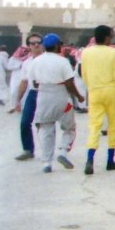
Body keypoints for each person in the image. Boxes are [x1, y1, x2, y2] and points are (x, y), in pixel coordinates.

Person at [27, 34, 83, 173]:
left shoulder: (36, 61)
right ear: (58, 45)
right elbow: (69, 83)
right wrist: (78, 96)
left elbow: (33, 82)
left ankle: (46, 162)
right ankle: (63, 152)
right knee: (69, 127)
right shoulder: (62, 61)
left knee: (46, 129)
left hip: (43, 95)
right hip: (61, 96)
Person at [79, 25, 115, 175]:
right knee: (113, 125)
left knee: (94, 125)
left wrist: (91, 87)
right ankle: (110, 160)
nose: (111, 39)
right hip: (111, 90)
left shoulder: (86, 53)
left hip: (94, 91)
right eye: (111, 36)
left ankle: (90, 159)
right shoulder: (114, 52)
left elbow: (84, 74)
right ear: (106, 37)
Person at [9, 36, 43, 160]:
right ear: (28, 46)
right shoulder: (27, 63)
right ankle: (28, 149)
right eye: (32, 43)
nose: (36, 45)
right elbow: (24, 83)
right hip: (33, 94)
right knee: (24, 122)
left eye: (38, 43)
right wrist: (18, 101)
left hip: (47, 94)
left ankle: (47, 151)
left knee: (44, 124)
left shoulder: (47, 60)